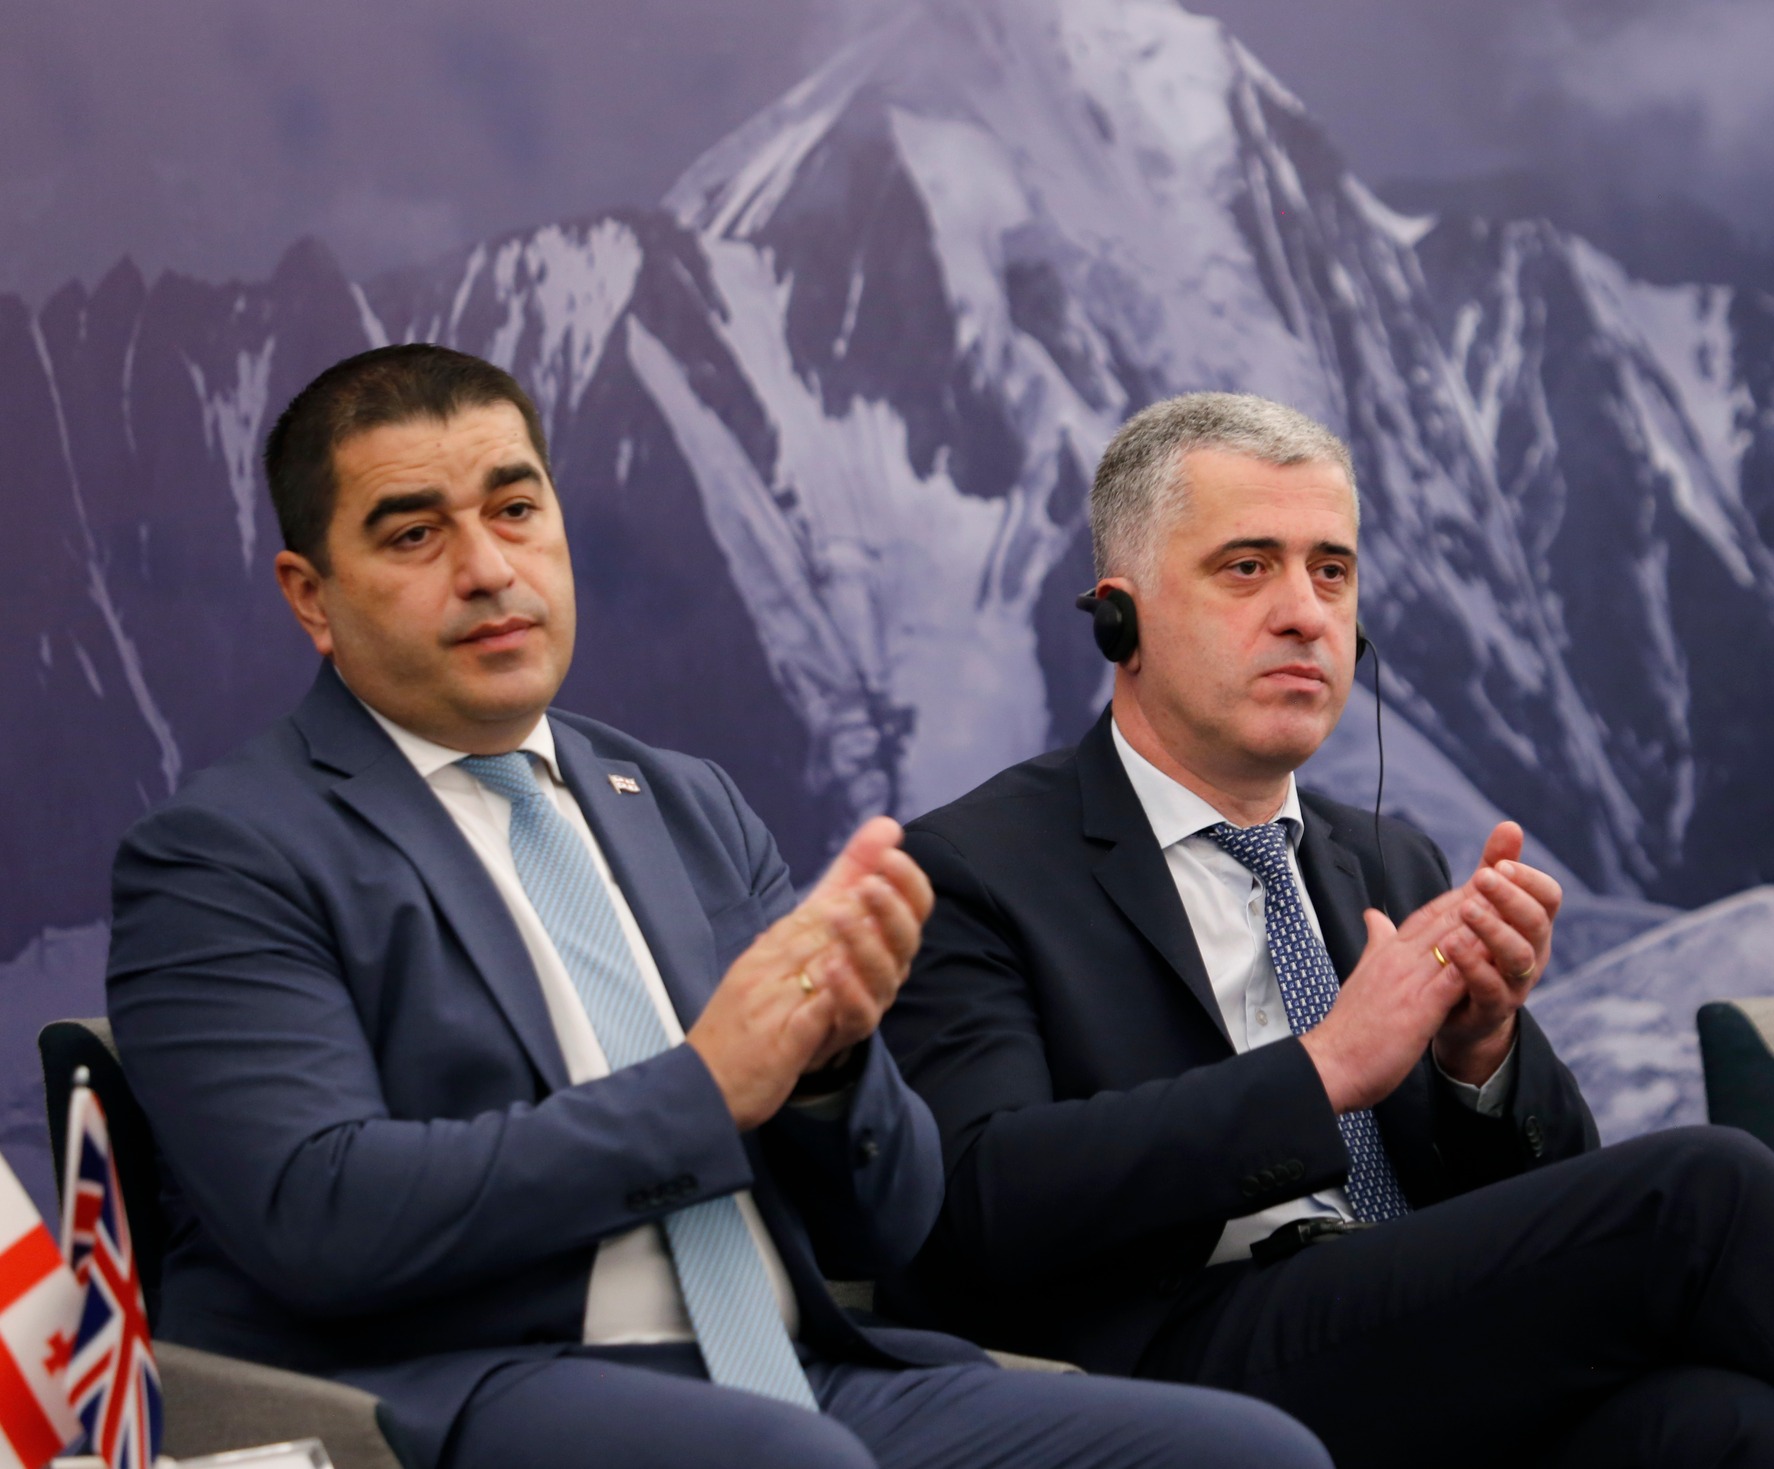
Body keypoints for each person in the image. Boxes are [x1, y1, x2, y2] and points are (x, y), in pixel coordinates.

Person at [105, 348, 1335, 1469]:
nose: (487, 569)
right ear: (311, 595)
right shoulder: (227, 852)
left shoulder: (682, 804)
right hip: (469, 1380)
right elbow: (319, 1212)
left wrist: (830, 1074)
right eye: (415, 533)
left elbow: (891, 1220)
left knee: (1249, 1454)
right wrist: (708, 1085)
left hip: (805, 1371)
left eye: (515, 509)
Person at [879, 392, 1774, 1467]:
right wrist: (1322, 1070)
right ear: (1120, 616)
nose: (1305, 612)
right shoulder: (973, 868)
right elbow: (973, 1199)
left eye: (1332, 570)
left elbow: (1560, 1192)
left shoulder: (1386, 858)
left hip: (1411, 1344)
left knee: (1735, 1430)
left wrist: (1483, 1055)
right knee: (1707, 1191)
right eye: (1247, 566)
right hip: (1170, 1362)